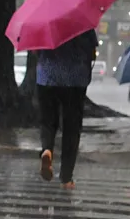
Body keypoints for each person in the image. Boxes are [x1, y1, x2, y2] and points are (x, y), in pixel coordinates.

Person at [36, 29, 98, 189]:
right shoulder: (83, 25)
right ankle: (66, 177)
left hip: (47, 76)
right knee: (72, 128)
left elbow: (36, 49)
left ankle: (47, 149)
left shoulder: (45, 22)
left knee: (48, 121)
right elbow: (92, 54)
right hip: (75, 79)